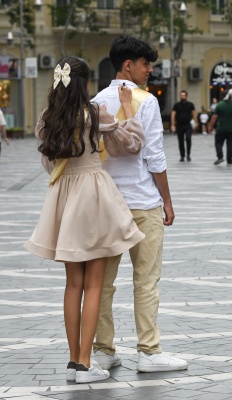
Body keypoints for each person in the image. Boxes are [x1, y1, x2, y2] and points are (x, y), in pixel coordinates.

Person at [24, 56, 145, 383]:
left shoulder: (48, 117)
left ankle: (73, 361)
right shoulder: (94, 114)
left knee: (72, 284)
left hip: (64, 196)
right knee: (94, 284)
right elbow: (131, 144)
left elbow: (49, 163)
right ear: (85, 83)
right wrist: (127, 108)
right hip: (93, 195)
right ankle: (85, 363)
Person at [91, 36, 186, 373]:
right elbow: (154, 156)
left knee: (102, 282)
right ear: (128, 65)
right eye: (147, 64)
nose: (150, 71)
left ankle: (103, 349)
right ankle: (148, 351)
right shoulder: (146, 101)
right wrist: (168, 201)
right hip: (143, 203)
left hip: (105, 205)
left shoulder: (94, 101)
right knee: (146, 280)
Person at [208, 88, 232, 166]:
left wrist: (211, 126)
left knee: (218, 143)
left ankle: (220, 157)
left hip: (221, 128)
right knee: (230, 145)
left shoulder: (220, 105)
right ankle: (230, 161)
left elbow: (214, 117)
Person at [171, 90, 198, 162]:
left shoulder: (190, 104)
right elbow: (173, 115)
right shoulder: (176, 105)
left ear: (186, 96)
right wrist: (173, 125)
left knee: (188, 138)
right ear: (180, 96)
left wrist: (196, 123)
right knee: (180, 141)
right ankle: (182, 156)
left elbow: (194, 114)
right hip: (179, 125)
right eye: (181, 95)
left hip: (188, 125)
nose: (182, 96)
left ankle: (188, 155)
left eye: (184, 95)